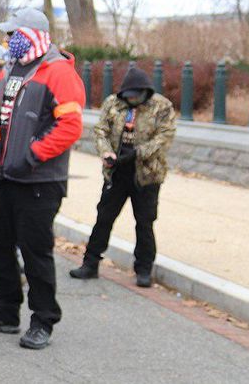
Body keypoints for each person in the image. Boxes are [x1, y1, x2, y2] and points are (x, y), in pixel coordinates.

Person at [0, 7, 86, 350]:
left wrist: (34, 154)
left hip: (40, 180)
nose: (7, 40)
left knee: (36, 252)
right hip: (7, 175)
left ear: (31, 35)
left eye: (13, 34)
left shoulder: (58, 72)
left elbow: (70, 125)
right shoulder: (11, 70)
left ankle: (43, 319)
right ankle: (6, 312)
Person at [71, 67, 176, 288]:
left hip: (147, 175)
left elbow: (165, 136)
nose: (132, 100)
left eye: (136, 96)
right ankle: (90, 264)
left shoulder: (161, 106)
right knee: (104, 218)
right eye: (128, 96)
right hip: (116, 172)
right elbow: (101, 130)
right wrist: (106, 152)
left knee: (145, 222)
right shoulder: (113, 103)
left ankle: (143, 269)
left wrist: (139, 153)